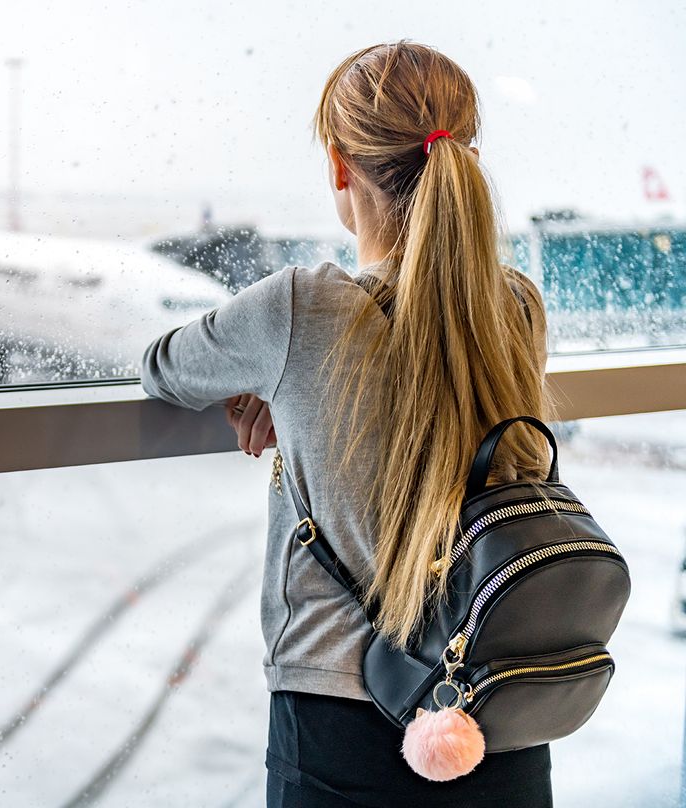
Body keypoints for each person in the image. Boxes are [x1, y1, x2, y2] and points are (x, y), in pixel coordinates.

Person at [140, 42, 553, 807]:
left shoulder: (300, 309)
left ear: (340, 165)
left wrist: (272, 379)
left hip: (339, 720)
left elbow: (162, 368)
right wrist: (291, 386)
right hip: (502, 703)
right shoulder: (518, 306)